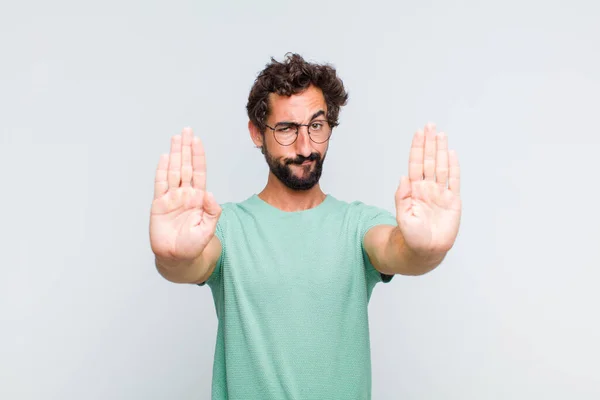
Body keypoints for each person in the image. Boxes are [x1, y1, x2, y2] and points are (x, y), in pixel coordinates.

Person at [149, 53, 462, 400]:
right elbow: (190, 261)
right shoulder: (224, 227)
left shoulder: (358, 224)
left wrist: (428, 249)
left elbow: (400, 250)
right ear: (257, 133)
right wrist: (172, 256)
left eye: (316, 125)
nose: (305, 146)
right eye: (286, 129)